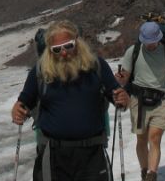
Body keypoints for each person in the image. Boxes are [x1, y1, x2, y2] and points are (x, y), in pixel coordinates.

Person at [11, 20, 130, 181]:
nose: (64, 53)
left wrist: (123, 99)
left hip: (92, 155)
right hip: (53, 156)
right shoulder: (40, 72)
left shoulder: (96, 66)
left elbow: (116, 96)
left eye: (68, 46)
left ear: (77, 42)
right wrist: (18, 110)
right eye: (57, 49)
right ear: (49, 51)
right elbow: (25, 101)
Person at [115, 21, 165, 181]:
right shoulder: (133, 51)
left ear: (159, 38)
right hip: (138, 101)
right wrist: (120, 78)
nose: (150, 45)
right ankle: (144, 172)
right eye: (147, 42)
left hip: (160, 101)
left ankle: (152, 175)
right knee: (141, 139)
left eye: (152, 42)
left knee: (155, 137)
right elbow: (125, 77)